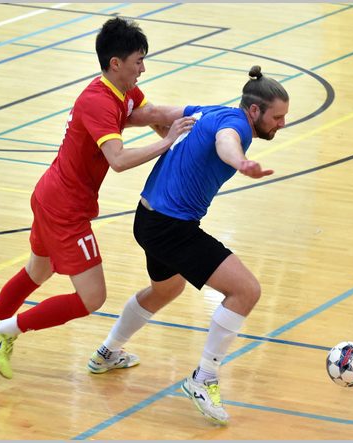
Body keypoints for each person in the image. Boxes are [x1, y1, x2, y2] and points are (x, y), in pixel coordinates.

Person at [0, 17, 194, 379]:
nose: (143, 69)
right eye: (138, 62)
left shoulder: (123, 91)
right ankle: (2, 331)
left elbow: (151, 114)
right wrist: (166, 142)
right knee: (92, 298)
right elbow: (118, 160)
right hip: (65, 208)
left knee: (36, 271)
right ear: (115, 63)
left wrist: (201, 117)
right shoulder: (98, 102)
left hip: (50, 194)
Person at [87, 65, 289, 425]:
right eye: (277, 117)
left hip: (147, 218)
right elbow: (226, 143)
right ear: (255, 110)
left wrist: (116, 118)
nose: (282, 124)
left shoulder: (209, 111)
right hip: (170, 227)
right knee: (246, 291)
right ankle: (203, 378)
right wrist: (240, 161)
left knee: (166, 289)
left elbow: (155, 113)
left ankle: (107, 351)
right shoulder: (237, 126)